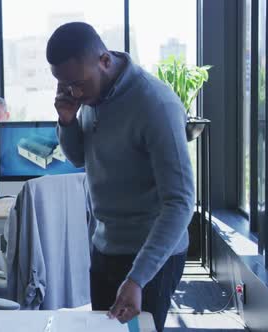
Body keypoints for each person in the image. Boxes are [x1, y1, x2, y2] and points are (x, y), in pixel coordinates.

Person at [47, 22, 194, 331]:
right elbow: (78, 157)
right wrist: (67, 120)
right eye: (65, 85)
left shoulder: (156, 105)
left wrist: (137, 277)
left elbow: (180, 203)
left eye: (78, 83)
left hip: (151, 254)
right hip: (106, 246)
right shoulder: (89, 94)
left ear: (104, 61)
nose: (73, 92)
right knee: (106, 330)